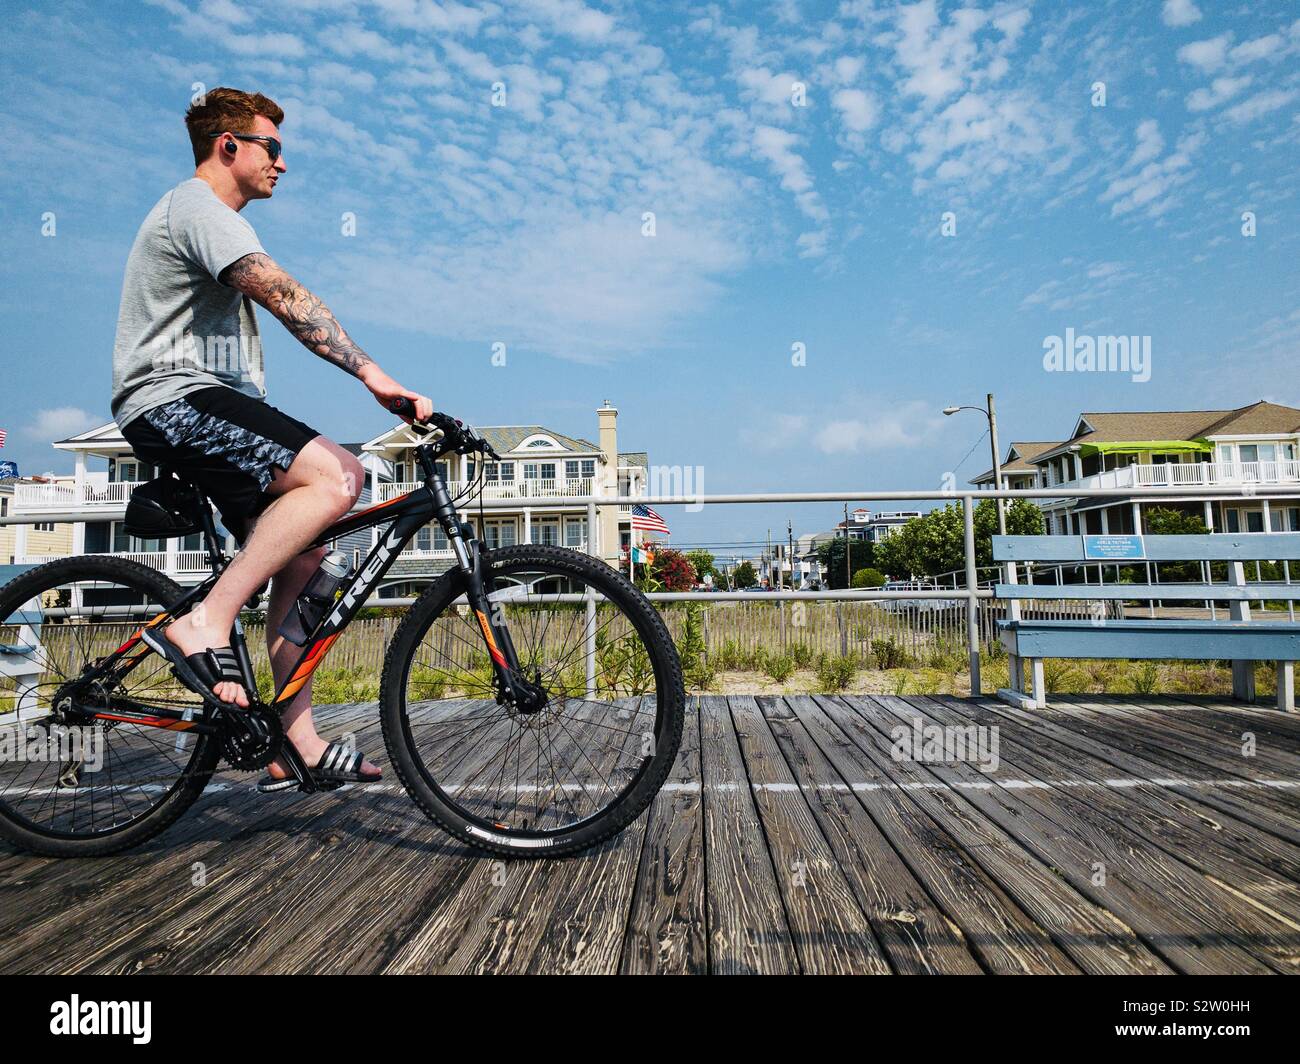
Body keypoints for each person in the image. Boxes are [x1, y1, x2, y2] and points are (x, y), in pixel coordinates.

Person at [111, 87, 432, 789]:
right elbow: (284, 295)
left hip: (207, 399)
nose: (283, 165)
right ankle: (205, 623)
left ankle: (296, 746)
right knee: (339, 476)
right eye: (273, 149)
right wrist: (373, 374)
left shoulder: (207, 217)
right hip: (173, 399)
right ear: (228, 146)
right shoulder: (198, 208)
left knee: (305, 555)